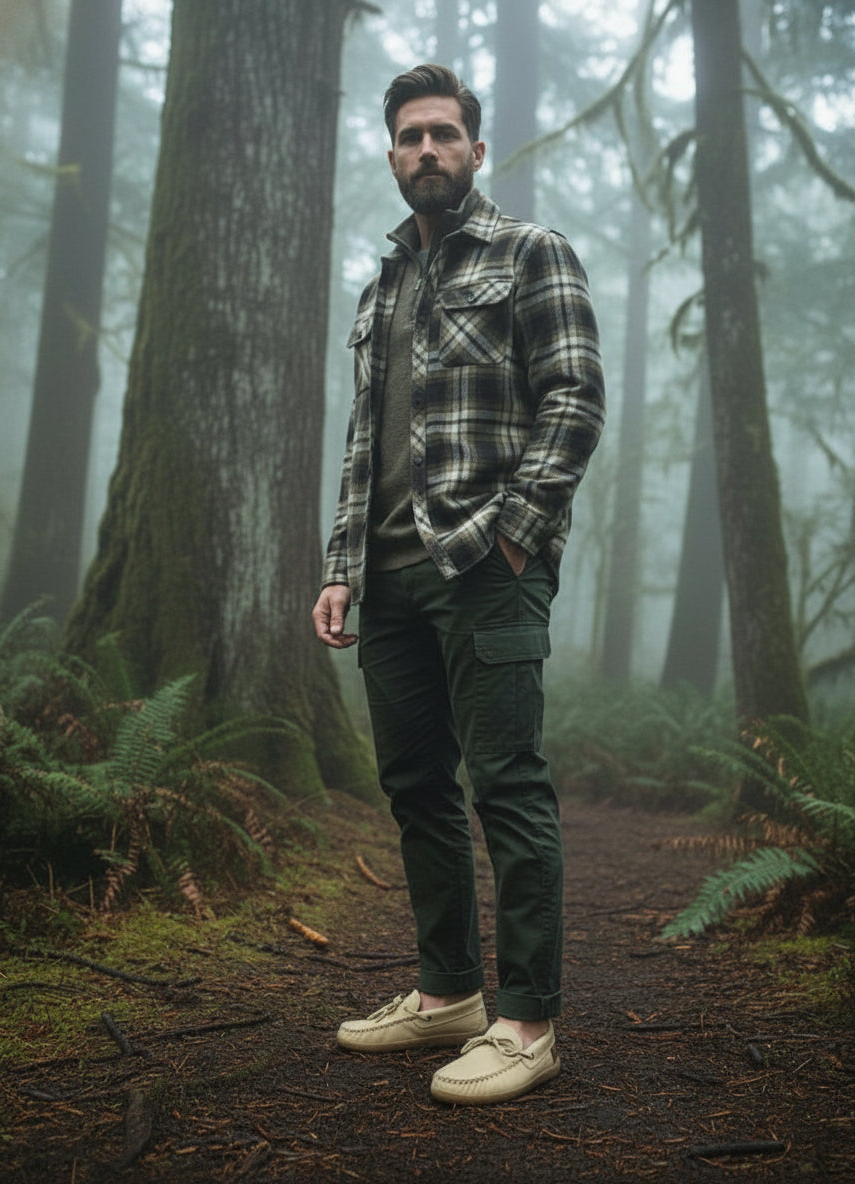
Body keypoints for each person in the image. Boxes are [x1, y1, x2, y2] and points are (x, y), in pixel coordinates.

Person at [312, 64, 604, 1106]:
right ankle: (449, 993)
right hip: (386, 584)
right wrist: (342, 567)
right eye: (408, 137)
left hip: (486, 574)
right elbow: (364, 444)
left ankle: (529, 1022)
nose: (426, 150)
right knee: (417, 789)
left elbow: (572, 403)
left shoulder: (531, 253)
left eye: (444, 134)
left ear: (477, 150)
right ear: (390, 156)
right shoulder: (382, 284)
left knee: (509, 785)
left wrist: (513, 541)